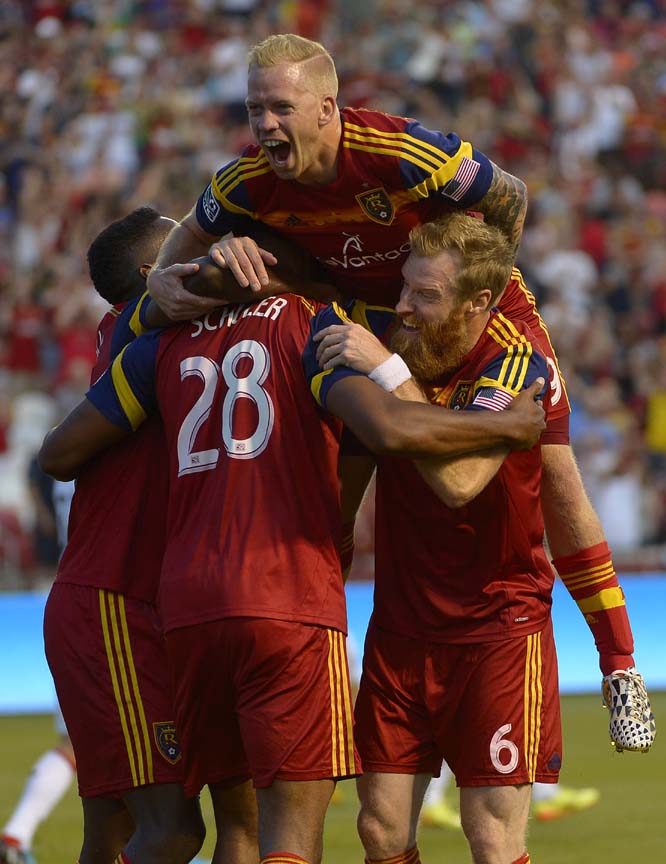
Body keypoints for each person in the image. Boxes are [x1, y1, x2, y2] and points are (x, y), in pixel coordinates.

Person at [143, 32, 651, 749]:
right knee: (332, 496)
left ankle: (620, 664)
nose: (264, 126)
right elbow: (186, 239)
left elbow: (511, 197)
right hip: (374, 329)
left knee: (557, 474)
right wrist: (158, 280)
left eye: (280, 108)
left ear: (328, 108)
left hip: (472, 312)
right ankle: (311, 660)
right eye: (255, 108)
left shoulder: (403, 153)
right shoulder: (244, 182)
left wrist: (472, 290)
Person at [39, 245, 547, 863]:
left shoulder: (157, 344)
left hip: (188, 608)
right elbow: (391, 430)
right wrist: (508, 426)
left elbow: (58, 454)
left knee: (232, 828)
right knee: (287, 839)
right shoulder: (315, 325)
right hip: (285, 595)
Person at [311, 214, 655, 864]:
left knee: (492, 839)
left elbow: (463, 480)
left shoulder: (515, 361)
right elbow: (343, 498)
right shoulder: (393, 338)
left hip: (499, 633)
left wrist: (618, 659)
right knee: (379, 831)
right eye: (405, 288)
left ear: (477, 304)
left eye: (424, 295)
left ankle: (623, 663)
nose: (404, 307)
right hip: (401, 630)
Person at [41, 207, 210, 864]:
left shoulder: (135, 335)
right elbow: (55, 455)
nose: (202, 249)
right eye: (185, 243)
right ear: (152, 275)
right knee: (174, 832)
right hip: (114, 600)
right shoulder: (137, 329)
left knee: (108, 833)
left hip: (110, 598)